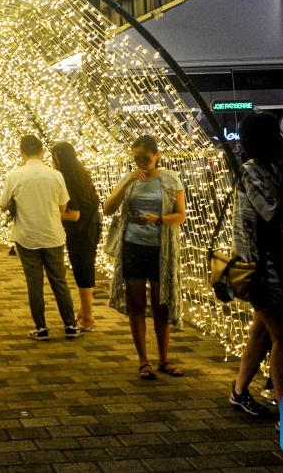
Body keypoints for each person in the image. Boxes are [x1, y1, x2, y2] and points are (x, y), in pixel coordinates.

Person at [103, 134, 187, 380]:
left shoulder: (171, 180)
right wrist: (126, 183)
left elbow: (180, 216)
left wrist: (158, 219)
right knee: (136, 303)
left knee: (161, 304)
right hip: (132, 246)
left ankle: (164, 359)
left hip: (161, 249)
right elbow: (108, 209)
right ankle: (143, 360)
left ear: (156, 155)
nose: (141, 162)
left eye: (146, 158)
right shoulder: (129, 179)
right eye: (136, 158)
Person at [229, 111, 283, 419]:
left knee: (262, 331)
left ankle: (239, 390)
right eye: (276, 135)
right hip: (259, 267)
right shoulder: (251, 170)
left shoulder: (268, 167)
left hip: (276, 264)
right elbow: (269, 212)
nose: (281, 141)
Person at [0, 134, 82, 341]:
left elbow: (2, 205)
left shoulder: (14, 176)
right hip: (53, 234)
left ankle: (42, 328)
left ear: (22, 152)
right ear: (42, 151)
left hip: (26, 236)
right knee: (59, 281)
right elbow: (63, 206)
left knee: (34, 283)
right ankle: (70, 325)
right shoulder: (55, 175)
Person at [50, 141, 103, 332]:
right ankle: (84, 311)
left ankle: (88, 316)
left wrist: (50, 213)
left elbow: (74, 214)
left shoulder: (67, 179)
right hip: (92, 226)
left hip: (80, 229)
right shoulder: (81, 174)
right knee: (86, 266)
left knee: (83, 269)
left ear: (58, 158)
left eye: (54, 157)